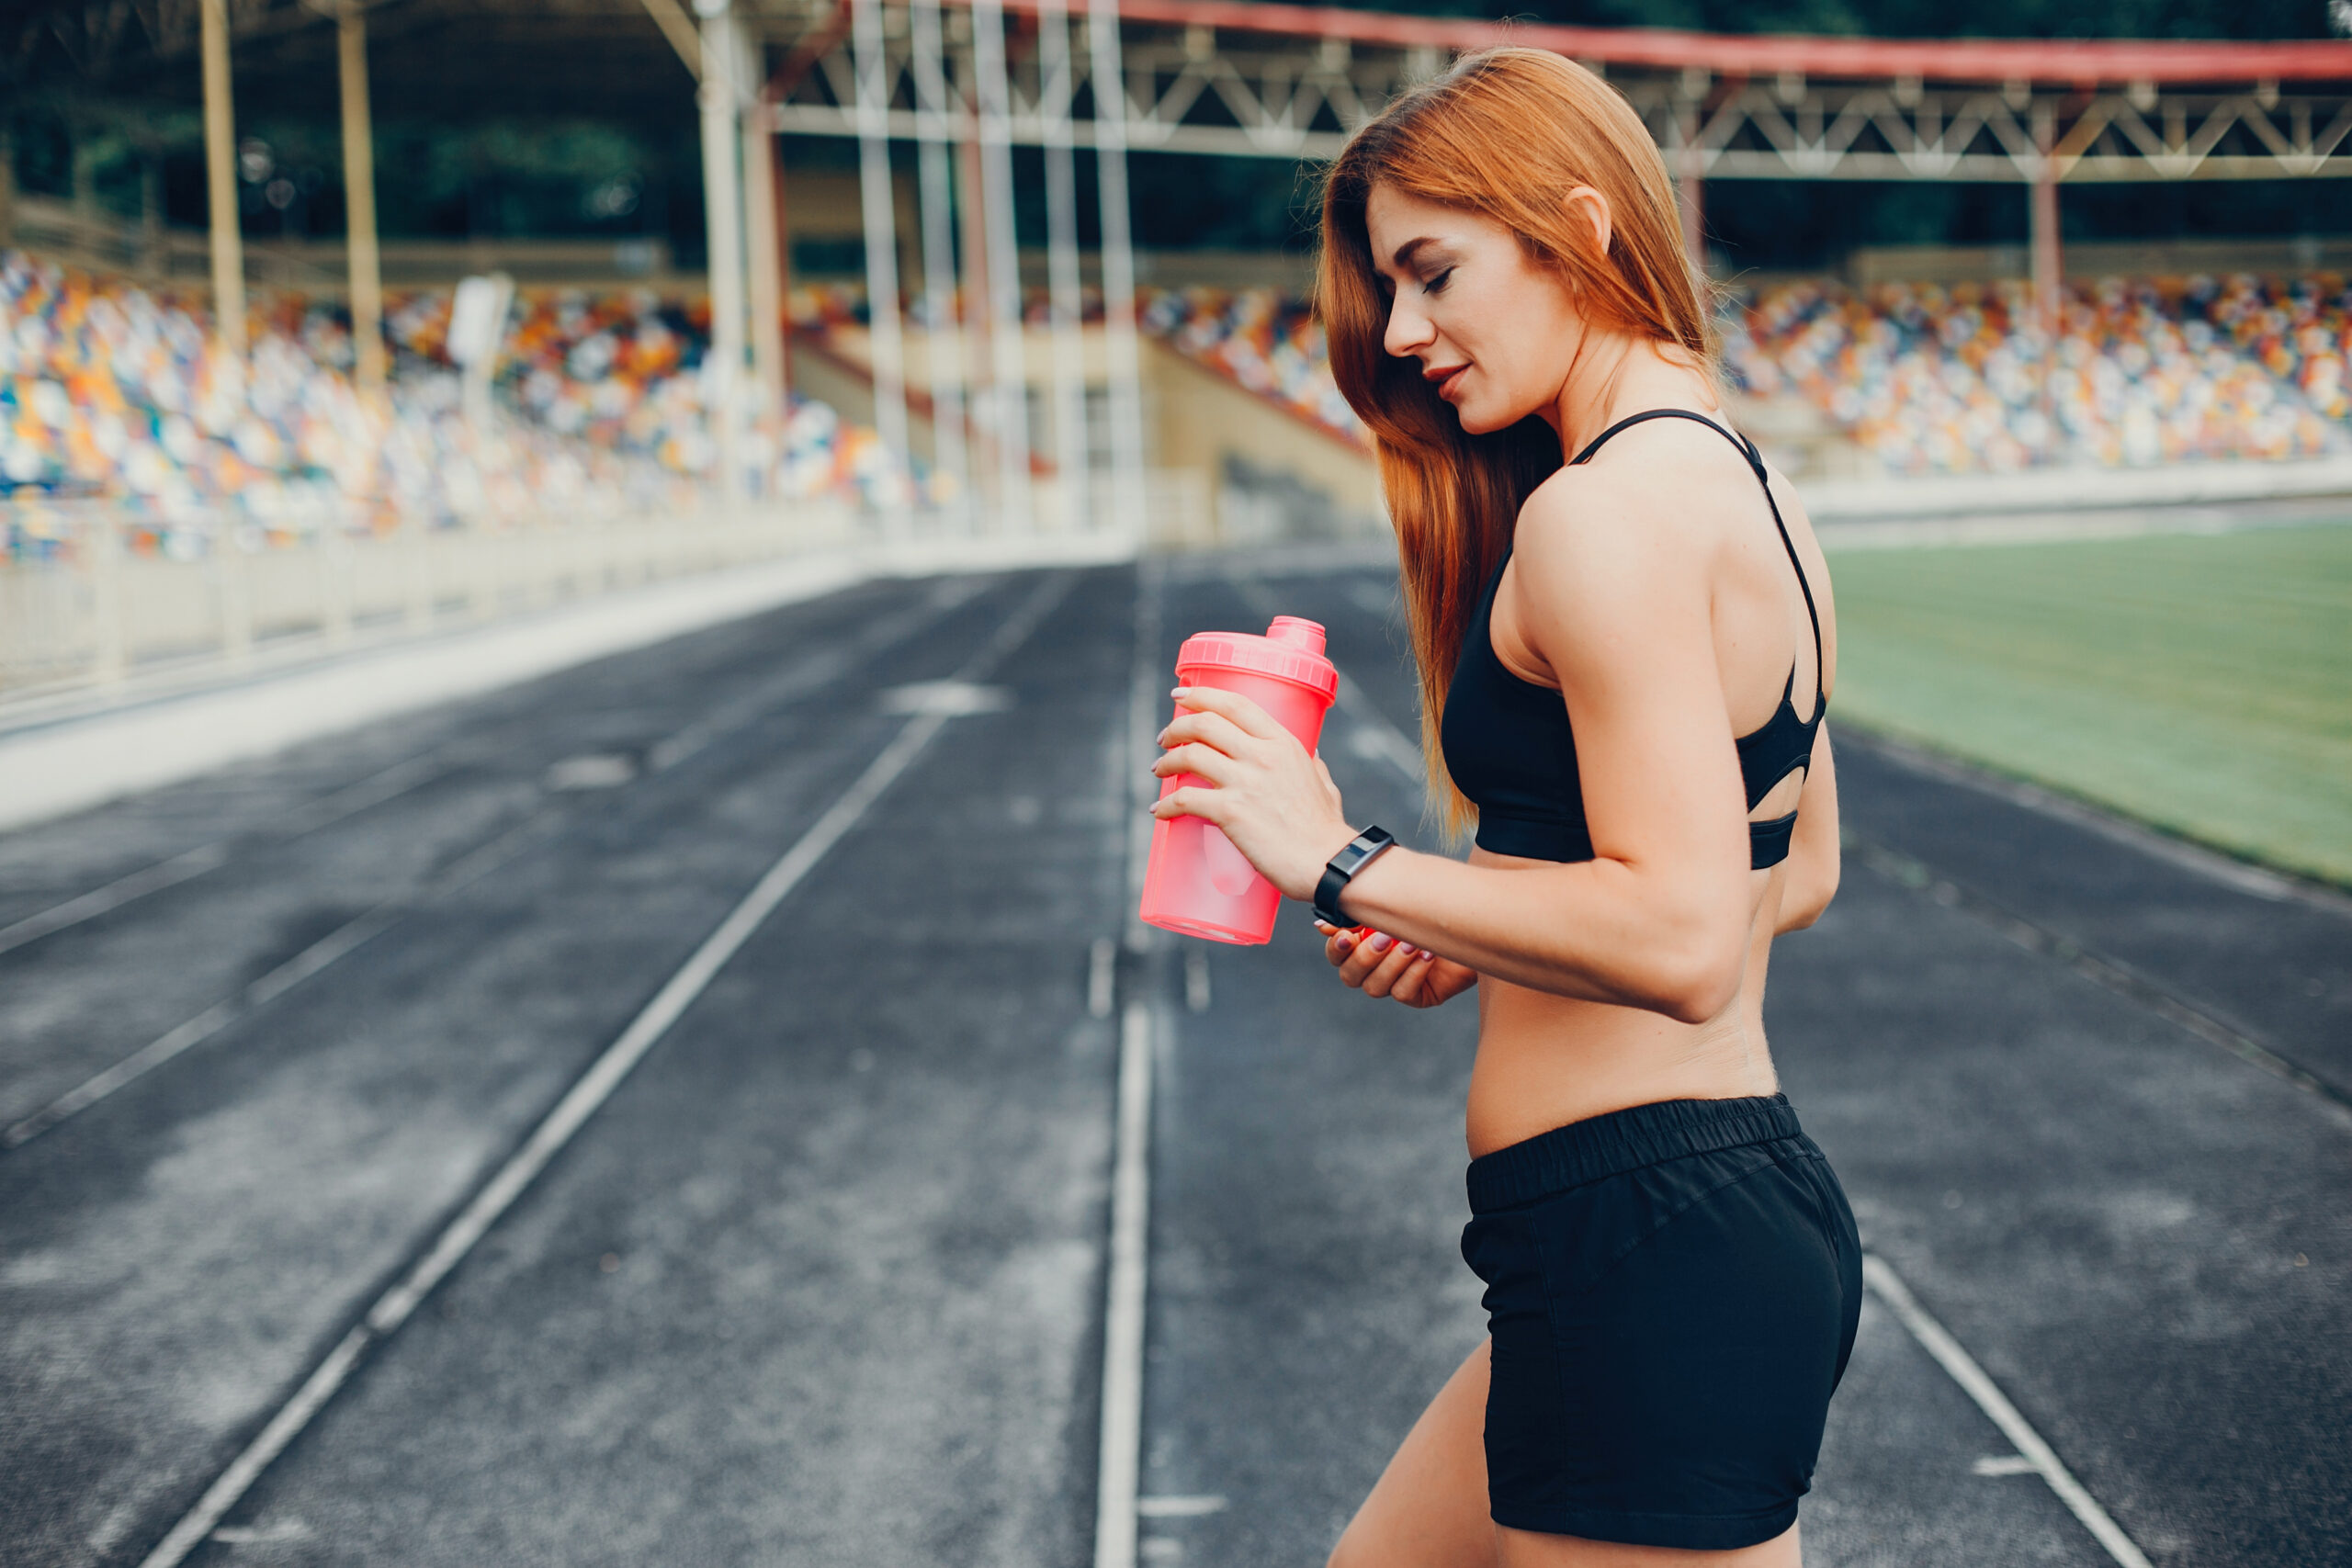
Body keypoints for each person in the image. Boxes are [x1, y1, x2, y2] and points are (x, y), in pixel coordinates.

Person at [1148, 48, 1860, 1568]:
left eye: (1433, 272)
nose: (1404, 335)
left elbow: (1681, 939)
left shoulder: (1597, 514)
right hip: (1656, 1225)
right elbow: (1790, 871)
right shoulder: (1749, 489)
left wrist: (1340, 857)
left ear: (1581, 228)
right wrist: (1501, 924)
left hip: (1648, 1236)